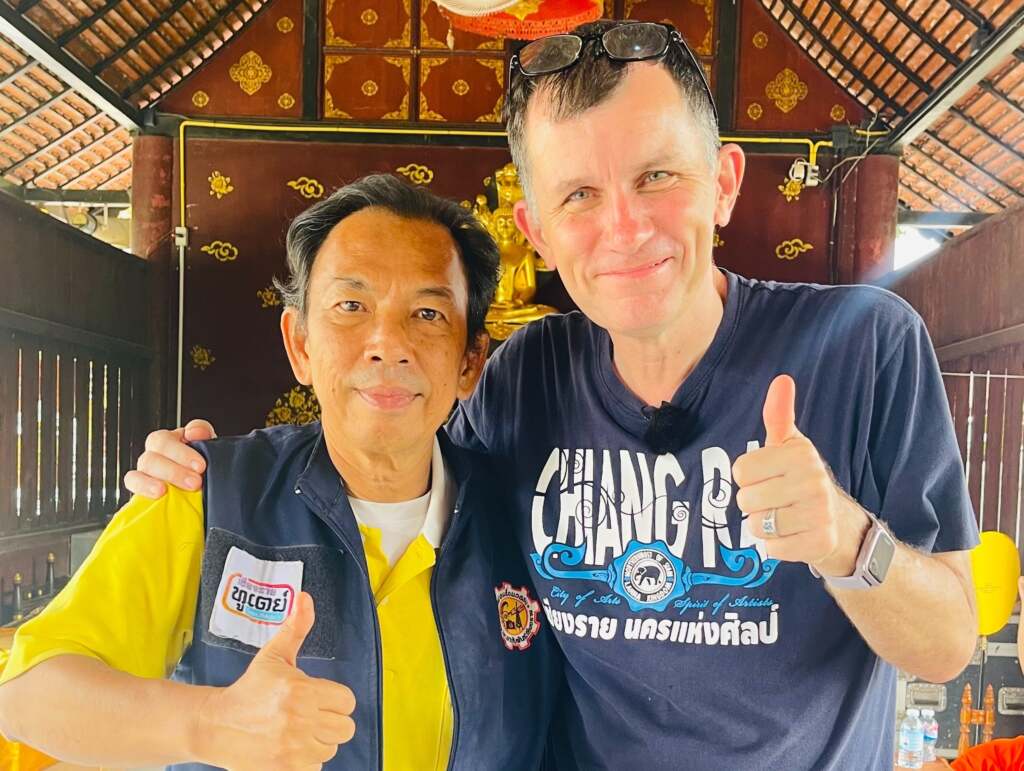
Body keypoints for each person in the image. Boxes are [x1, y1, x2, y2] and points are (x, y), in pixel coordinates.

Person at [121, 20, 979, 770]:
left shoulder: (865, 345)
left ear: (723, 183)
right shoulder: (527, 375)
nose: (624, 228)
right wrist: (218, 477)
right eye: (579, 196)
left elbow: (947, 646)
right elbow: (391, 455)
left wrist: (846, 542)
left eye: (657, 176)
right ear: (536, 230)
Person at [0, 175, 560, 770]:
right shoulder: (207, 495)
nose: (387, 344)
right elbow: (28, 697)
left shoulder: (527, 523)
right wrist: (210, 724)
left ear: (471, 360)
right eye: (351, 306)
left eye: (428, 313)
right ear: (300, 345)